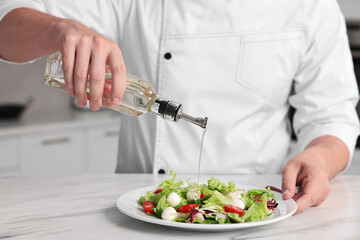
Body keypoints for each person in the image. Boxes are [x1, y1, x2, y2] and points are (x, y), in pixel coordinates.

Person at [0, 0, 358, 214]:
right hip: (139, 212)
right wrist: (61, 29)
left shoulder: (311, 6)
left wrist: (320, 160)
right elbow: (7, 28)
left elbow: (333, 115)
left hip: (260, 210)